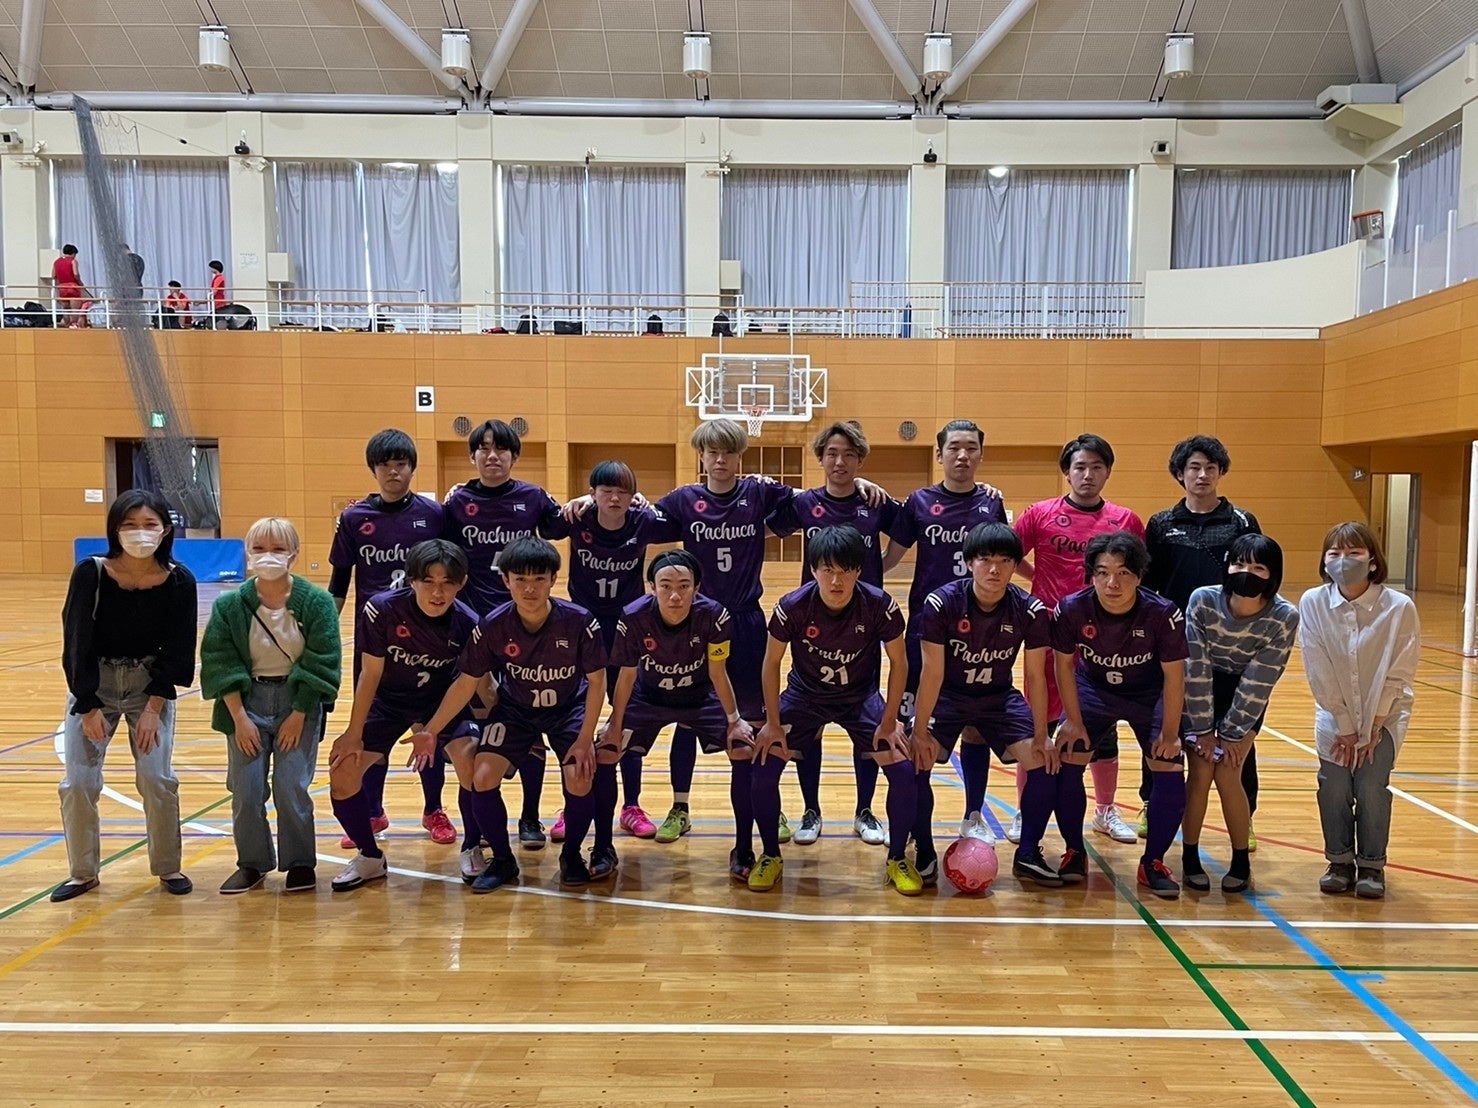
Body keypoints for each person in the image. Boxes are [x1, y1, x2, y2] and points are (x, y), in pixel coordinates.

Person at [413, 537, 607, 891]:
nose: (530, 588)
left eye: (539, 579)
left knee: (580, 776)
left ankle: (572, 855)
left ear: (554, 579)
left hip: (568, 709)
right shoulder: (493, 625)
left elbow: (597, 682)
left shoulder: (579, 621)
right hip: (516, 710)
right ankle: (503, 860)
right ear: (506, 581)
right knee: (482, 776)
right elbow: (467, 683)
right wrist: (432, 730)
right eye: (520, 579)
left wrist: (584, 740)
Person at [647, 418, 807, 846]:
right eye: (712, 452)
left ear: (740, 456)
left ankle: (768, 804)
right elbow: (639, 515)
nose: (720, 460)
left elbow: (815, 500)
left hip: (746, 621)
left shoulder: (758, 492)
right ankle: (680, 807)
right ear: (701, 456)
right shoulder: (684, 499)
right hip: (696, 622)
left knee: (757, 717)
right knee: (688, 717)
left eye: (728, 452)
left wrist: (861, 483)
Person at [751, 526, 916, 895]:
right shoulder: (792, 606)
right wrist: (773, 723)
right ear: (813, 569)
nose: (836, 580)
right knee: (762, 767)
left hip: (859, 698)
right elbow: (770, 663)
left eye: (846, 570)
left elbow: (900, 663)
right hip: (805, 696)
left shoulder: (880, 605)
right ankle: (771, 855)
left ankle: (897, 859)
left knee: (903, 770)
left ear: (859, 570)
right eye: (827, 570)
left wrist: (890, 721)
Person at [52, 490, 198, 902]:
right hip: (94, 683)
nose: (140, 532)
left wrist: (154, 707)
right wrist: (87, 705)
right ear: (115, 530)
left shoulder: (179, 580)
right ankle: (83, 873)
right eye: (130, 524)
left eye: (149, 524)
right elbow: (75, 640)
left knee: (156, 777)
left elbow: (179, 648)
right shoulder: (91, 573)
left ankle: (168, 867)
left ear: (165, 530)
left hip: (148, 685)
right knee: (79, 782)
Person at [767, 420, 902, 847]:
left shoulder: (874, 501)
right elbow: (762, 524)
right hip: (814, 618)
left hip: (864, 623)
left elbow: (908, 529)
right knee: (810, 727)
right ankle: (811, 809)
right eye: (831, 454)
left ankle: (864, 810)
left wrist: (883, 563)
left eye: (848, 455)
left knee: (866, 725)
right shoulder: (805, 503)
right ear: (820, 459)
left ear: (860, 460)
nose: (840, 462)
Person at [325, 540, 485, 892]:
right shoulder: (382, 609)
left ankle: (473, 846)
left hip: (440, 702)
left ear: (461, 583)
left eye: (448, 583)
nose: (438, 592)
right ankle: (370, 856)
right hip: (389, 702)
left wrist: (431, 730)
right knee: (343, 770)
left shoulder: (469, 624)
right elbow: (370, 673)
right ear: (411, 580)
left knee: (471, 759)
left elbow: (465, 686)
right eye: (429, 582)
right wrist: (353, 732)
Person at [1011, 433, 1145, 846]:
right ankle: (1025, 810)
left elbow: (1137, 574)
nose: (1088, 475)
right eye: (1080, 467)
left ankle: (1105, 810)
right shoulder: (1040, 514)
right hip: (1047, 635)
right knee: (1038, 725)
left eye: (1097, 467)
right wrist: (1037, 578)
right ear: (1066, 472)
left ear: (1108, 472)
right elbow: (1007, 553)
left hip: (1104, 641)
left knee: (1102, 728)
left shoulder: (1126, 520)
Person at [443, 418, 570, 849]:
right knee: (477, 733)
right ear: (473, 456)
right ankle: (475, 827)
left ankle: (530, 817)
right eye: (484, 448)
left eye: (501, 449)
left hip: (525, 629)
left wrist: (595, 500)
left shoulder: (533, 497)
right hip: (474, 633)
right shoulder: (457, 503)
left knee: (529, 728)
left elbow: (566, 523)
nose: (492, 455)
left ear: (514, 456)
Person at [911, 523, 1059, 886]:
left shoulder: (1030, 609)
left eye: (1005, 561)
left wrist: (1042, 734)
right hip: (949, 696)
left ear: (1015, 566)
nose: (995, 569)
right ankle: (924, 849)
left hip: (998, 697)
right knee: (913, 761)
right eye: (985, 560)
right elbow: (931, 674)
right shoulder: (941, 603)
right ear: (969, 562)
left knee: (1044, 762)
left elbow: (1036, 675)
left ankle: (1028, 854)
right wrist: (918, 731)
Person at [200, 517, 341, 894]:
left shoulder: (317, 603)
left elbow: (323, 661)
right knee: (246, 790)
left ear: (294, 554)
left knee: (290, 785)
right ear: (247, 554)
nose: (268, 556)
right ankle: (252, 862)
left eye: (278, 549)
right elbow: (219, 661)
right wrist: (239, 718)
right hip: (246, 703)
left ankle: (299, 863)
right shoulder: (230, 605)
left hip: (298, 702)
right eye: (259, 548)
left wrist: (300, 713)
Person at [883, 418, 1006, 845]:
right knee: (915, 727)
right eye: (954, 447)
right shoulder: (919, 502)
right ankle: (912, 821)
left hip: (980, 634)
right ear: (939, 455)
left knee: (975, 725)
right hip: (926, 629)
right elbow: (890, 559)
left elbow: (1002, 558)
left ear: (981, 455)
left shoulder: (991, 503)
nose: (962, 455)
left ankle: (973, 814)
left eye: (971, 447)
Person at [600, 550, 758, 880]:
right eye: (666, 586)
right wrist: (614, 724)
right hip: (648, 697)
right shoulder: (633, 617)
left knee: (743, 749)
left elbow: (718, 672)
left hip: (699, 696)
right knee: (605, 752)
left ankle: (743, 849)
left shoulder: (714, 616)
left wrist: (734, 720)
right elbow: (626, 677)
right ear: (652, 588)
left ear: (697, 588)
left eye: (684, 586)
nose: (675, 595)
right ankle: (602, 848)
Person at [328, 429, 450, 846]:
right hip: (375, 640)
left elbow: (451, 570)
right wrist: (324, 631)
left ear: (413, 468)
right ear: (373, 469)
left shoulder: (434, 515)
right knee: (371, 726)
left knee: (425, 725)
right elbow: (339, 582)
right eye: (385, 465)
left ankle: (434, 809)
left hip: (427, 638)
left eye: (401, 464)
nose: (393, 472)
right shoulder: (354, 519)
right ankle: (373, 811)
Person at [1052, 531, 1188, 898]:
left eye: (1124, 573)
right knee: (1068, 756)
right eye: (1103, 572)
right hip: (1094, 689)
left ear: (1139, 576)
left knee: (1169, 766)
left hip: (1149, 693)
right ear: (1091, 575)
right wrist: (1072, 719)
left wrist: (1170, 733)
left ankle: (1153, 862)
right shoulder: (1072, 609)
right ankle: (1074, 851)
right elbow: (1064, 666)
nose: (1113, 583)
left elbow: (1175, 676)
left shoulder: (1163, 613)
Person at [1141, 434, 1262, 843]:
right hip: (1174, 645)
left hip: (1230, 644)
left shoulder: (1242, 522)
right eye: (1194, 467)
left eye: (1211, 468)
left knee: (1236, 729)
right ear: (1180, 474)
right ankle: (1152, 802)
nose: (1203, 475)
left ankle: (1244, 813)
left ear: (1221, 472)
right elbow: (1150, 585)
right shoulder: (1161, 524)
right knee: (1165, 725)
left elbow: (1253, 579)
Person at [1299, 522, 1420, 900]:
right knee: (1333, 786)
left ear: (1372, 561)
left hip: (1386, 714)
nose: (1343, 560)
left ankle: (1371, 865)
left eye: (1353, 553)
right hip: (1334, 714)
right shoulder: (1313, 602)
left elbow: (1401, 668)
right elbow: (1317, 667)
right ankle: (1339, 861)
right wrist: (1347, 726)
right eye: (1334, 553)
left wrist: (1373, 727)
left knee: (1370, 786)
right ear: (1324, 561)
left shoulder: (1399, 607)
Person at [1179, 534, 1297, 894]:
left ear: (1273, 575)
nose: (1247, 572)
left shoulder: (1283, 616)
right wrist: (1202, 730)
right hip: (1201, 689)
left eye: (1258, 567)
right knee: (1201, 772)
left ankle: (1241, 860)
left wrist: (1233, 734)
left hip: (1245, 696)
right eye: (1239, 564)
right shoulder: (1203, 600)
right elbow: (1195, 666)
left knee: (1229, 773)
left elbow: (1260, 679)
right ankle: (1189, 856)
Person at [559, 460, 668, 842]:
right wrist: (575, 502)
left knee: (627, 716)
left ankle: (632, 805)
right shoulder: (579, 519)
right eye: (606, 491)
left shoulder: (642, 521)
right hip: (583, 630)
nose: (615, 498)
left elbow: (677, 521)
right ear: (593, 493)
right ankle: (571, 804)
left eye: (623, 491)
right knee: (576, 718)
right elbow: (546, 524)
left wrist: (650, 505)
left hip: (626, 630)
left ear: (632, 496)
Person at [52, 244, 89, 327]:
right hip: (72, 286)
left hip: (62, 287)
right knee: (75, 309)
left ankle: (67, 324)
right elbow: (76, 274)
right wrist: (80, 282)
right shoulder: (73, 261)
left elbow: (53, 276)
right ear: (73, 253)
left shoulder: (56, 262)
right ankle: (74, 324)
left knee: (66, 309)